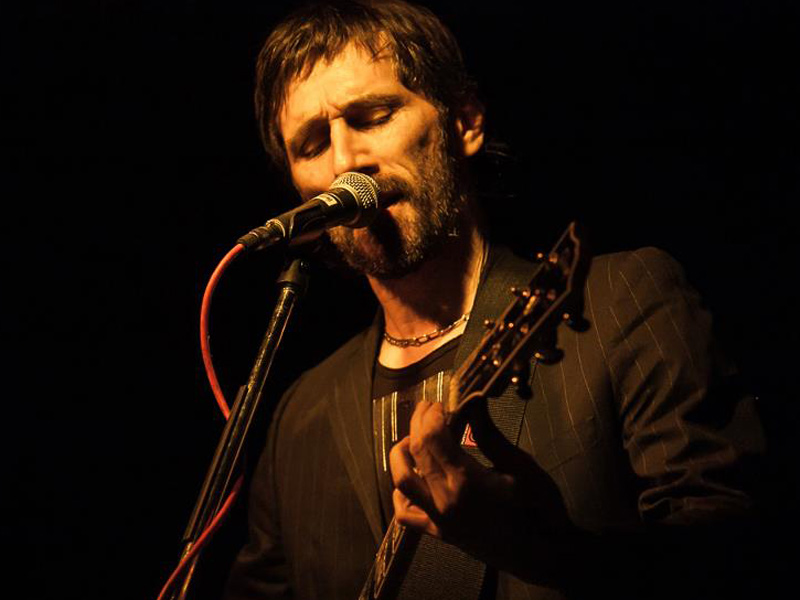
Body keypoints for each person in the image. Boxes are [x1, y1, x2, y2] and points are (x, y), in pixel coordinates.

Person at [224, 1, 764, 599]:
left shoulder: (620, 300)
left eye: (373, 117)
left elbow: (737, 558)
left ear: (465, 122)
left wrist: (543, 549)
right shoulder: (299, 417)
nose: (345, 163)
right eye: (311, 145)